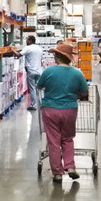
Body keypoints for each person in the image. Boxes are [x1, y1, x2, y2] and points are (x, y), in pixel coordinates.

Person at [37, 42, 89, 183]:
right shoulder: (77, 73)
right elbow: (84, 92)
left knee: (54, 141)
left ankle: (57, 173)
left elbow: (39, 85)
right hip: (69, 110)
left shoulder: (48, 71)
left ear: (58, 56)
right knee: (67, 138)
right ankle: (70, 167)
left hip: (50, 109)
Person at [12, 36, 43, 111]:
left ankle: (33, 105)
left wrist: (11, 49)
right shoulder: (39, 48)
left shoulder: (28, 48)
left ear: (30, 40)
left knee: (32, 88)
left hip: (31, 71)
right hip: (39, 71)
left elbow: (18, 55)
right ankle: (42, 104)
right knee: (39, 88)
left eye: (27, 39)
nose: (26, 41)